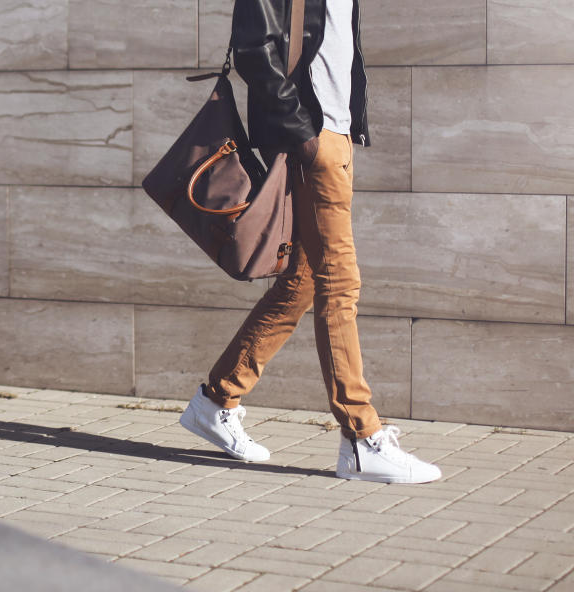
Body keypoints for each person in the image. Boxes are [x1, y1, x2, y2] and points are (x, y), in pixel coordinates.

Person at [179, 0, 441, 484]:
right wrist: (303, 134)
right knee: (339, 283)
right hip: (313, 140)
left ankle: (215, 400)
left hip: (333, 136)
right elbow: (254, 46)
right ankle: (362, 438)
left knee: (301, 282)